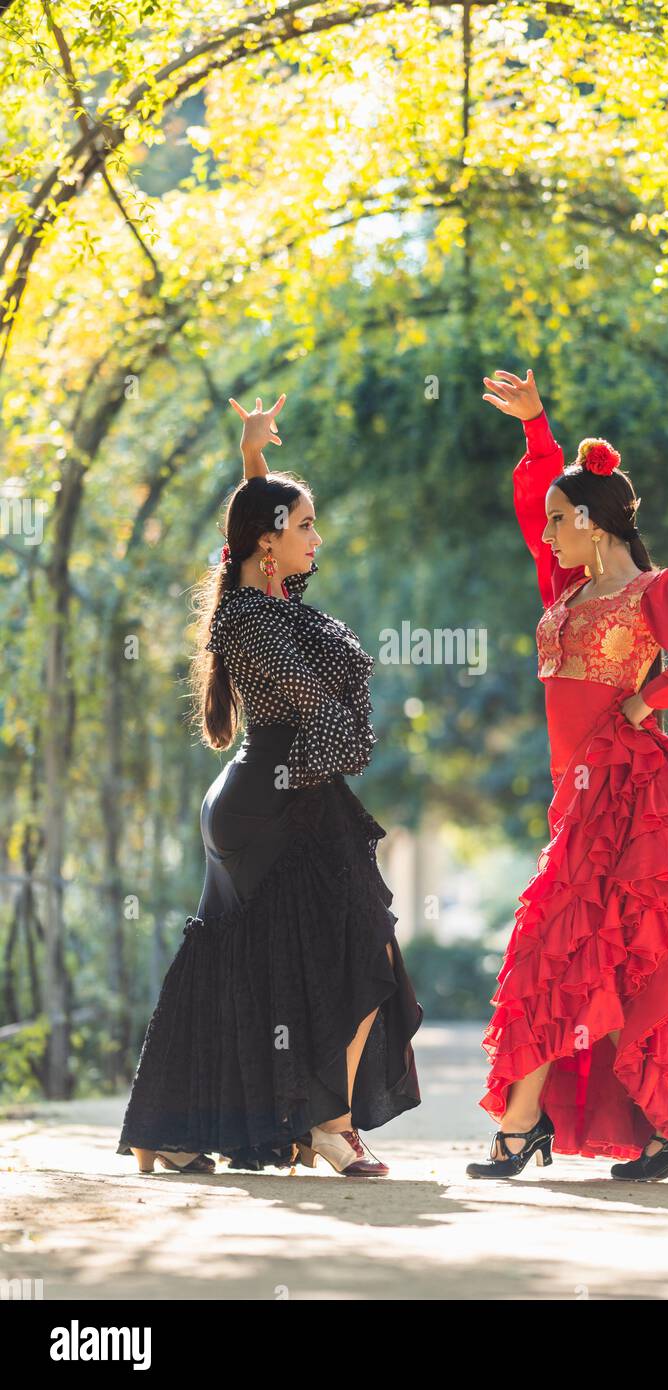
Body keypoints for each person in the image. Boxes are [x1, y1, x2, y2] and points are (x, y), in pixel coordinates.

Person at [116, 393, 422, 1177]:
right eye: (306, 525)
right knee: (362, 952)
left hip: (280, 791)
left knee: (252, 965)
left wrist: (253, 457)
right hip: (277, 799)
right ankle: (327, 1123)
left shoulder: (264, 597)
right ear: (268, 542)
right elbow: (313, 706)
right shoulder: (251, 617)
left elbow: (251, 529)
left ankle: (177, 1132)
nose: (317, 537)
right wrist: (349, 740)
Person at [467, 369, 668, 1186]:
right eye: (553, 522)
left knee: (566, 948)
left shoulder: (652, 592)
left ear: (594, 524)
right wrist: (537, 433)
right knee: (604, 954)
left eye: (563, 521)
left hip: (633, 790)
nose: (549, 535)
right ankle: (667, 1134)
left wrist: (649, 699)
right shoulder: (567, 588)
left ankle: (523, 1129)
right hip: (582, 796)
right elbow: (533, 508)